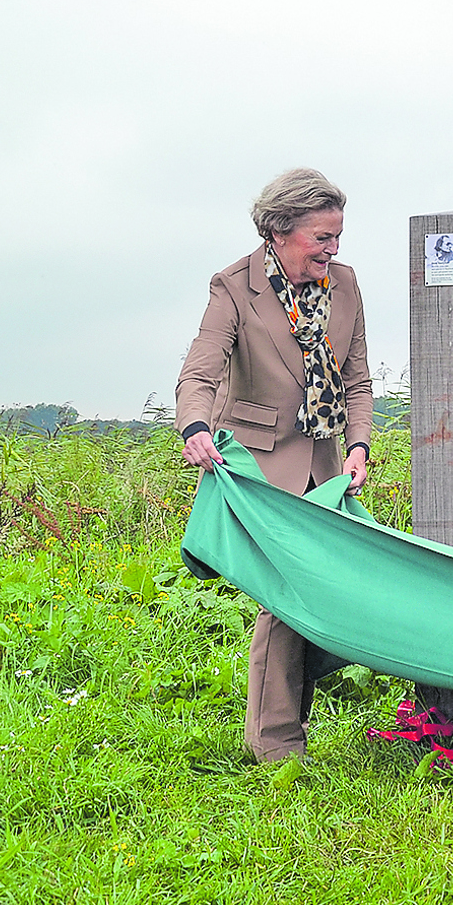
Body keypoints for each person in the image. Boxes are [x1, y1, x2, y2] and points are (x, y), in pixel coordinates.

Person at [176, 168, 373, 763]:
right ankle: (278, 746)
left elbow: (358, 378)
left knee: (335, 593)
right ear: (279, 232)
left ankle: (282, 726)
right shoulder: (234, 286)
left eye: (338, 236)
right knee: (286, 600)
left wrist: (359, 444)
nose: (333, 250)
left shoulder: (346, 284)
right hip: (258, 470)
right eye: (321, 238)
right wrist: (195, 427)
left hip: (326, 465)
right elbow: (202, 372)